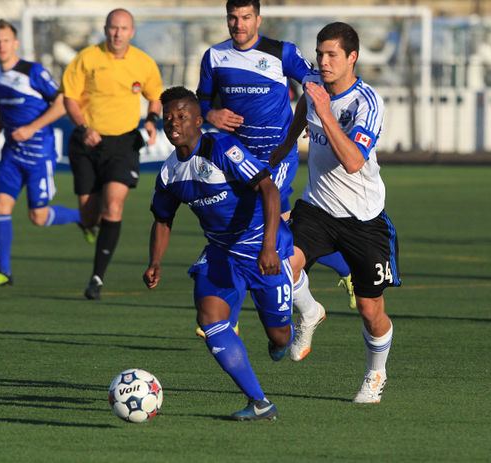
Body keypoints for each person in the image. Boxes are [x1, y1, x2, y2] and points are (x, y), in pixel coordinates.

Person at [144, 87, 294, 420]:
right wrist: (155, 261)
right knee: (210, 319)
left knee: (279, 336)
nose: (173, 124)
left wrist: (268, 246)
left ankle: (284, 336)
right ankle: (259, 402)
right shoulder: (169, 173)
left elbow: (268, 189)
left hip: (260, 249)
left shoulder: (220, 147)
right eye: (168, 118)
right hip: (221, 253)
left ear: (199, 120)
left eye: (182, 116)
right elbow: (162, 220)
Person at [196, 0, 356, 314]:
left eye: (245, 17)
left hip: (276, 157)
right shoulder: (214, 56)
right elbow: (200, 99)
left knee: (254, 224)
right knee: (282, 229)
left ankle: (230, 310)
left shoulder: (281, 52)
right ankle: (345, 267)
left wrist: (318, 116)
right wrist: (211, 114)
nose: (238, 24)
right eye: (233, 17)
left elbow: (313, 81)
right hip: (238, 160)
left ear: (258, 19)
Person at [273, 22, 401, 403]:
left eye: (332, 55)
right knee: (282, 262)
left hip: (364, 219)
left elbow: (353, 162)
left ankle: (375, 374)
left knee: (369, 309)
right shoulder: (314, 86)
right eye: (320, 53)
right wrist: (281, 150)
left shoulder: (367, 103)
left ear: (352, 58)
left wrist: (327, 112)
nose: (323, 62)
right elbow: (304, 109)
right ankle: (310, 312)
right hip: (317, 208)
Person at [62, 8, 163, 300]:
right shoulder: (87, 58)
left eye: (123, 28)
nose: (117, 33)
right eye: (113, 28)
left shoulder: (143, 62)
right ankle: (88, 224)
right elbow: (69, 97)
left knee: (114, 206)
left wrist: (151, 120)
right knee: (89, 214)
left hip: (124, 145)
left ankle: (96, 278)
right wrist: (83, 128)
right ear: (105, 29)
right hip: (88, 143)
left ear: (132, 32)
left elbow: (155, 95)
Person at [0, 19, 81, 287]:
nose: (1, 45)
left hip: (39, 153)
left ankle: (84, 218)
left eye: (5, 40)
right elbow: (4, 109)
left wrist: (30, 128)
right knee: (1, 204)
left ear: (15, 43)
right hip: (12, 153)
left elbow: (61, 105)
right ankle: (4, 271)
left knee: (37, 216)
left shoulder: (33, 71)